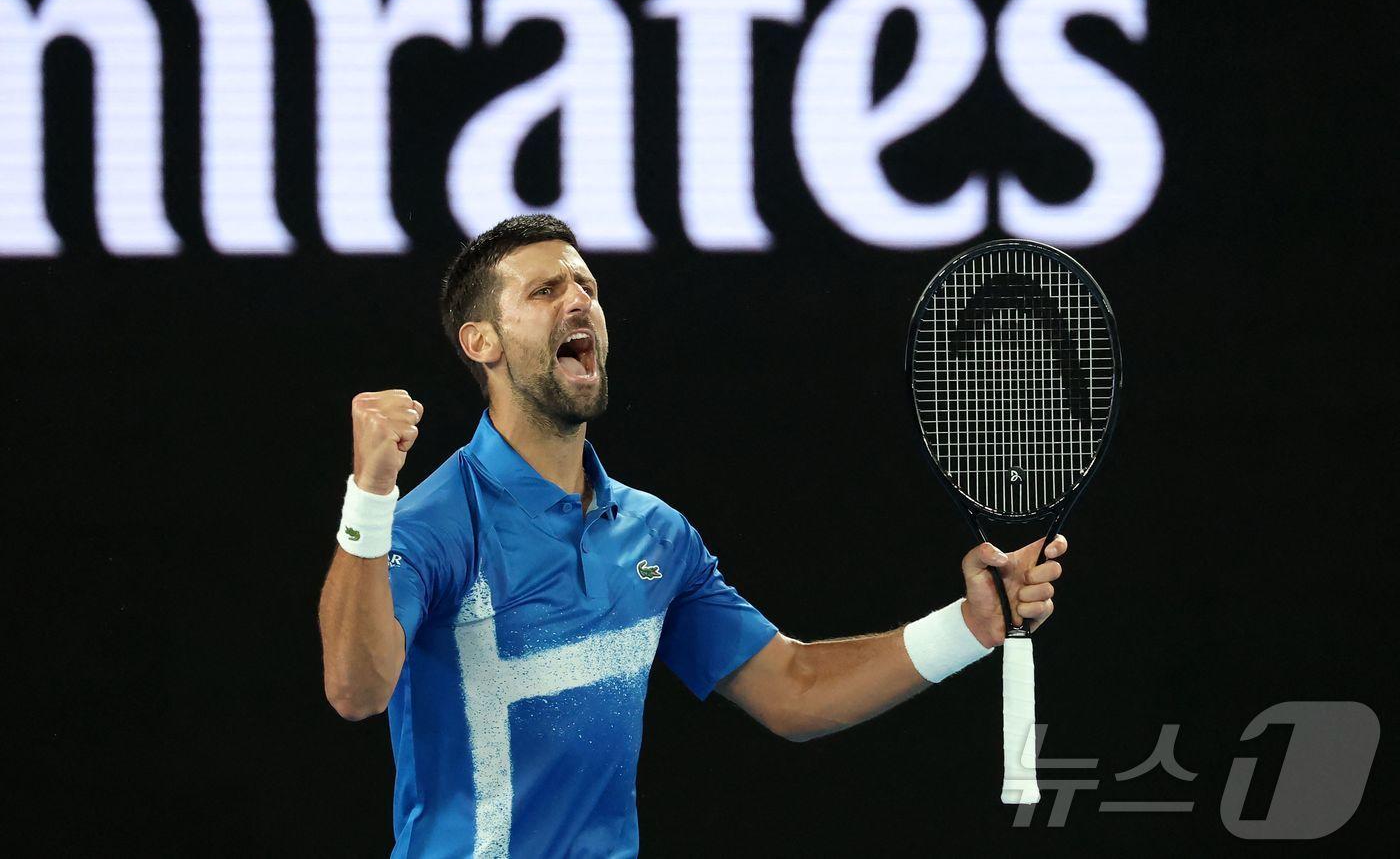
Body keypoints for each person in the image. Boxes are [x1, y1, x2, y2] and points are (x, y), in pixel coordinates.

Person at [318, 214, 1066, 858]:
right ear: (480, 340)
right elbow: (356, 691)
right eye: (545, 291)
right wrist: (369, 496)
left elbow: (793, 690)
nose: (580, 300)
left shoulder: (655, 535)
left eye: (587, 287)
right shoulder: (430, 522)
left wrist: (969, 626)